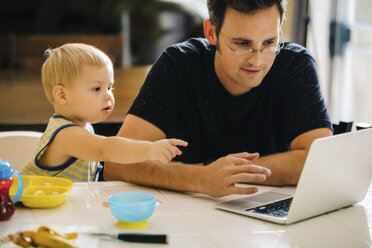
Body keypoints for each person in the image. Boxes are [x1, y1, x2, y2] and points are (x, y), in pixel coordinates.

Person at [104, 0, 333, 197]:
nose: (257, 60)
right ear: (211, 32)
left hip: (267, 220)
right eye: (242, 44)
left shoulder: (295, 65)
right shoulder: (179, 65)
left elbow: (320, 161)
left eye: (269, 43)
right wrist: (201, 178)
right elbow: (116, 163)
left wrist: (223, 173)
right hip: (188, 213)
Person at [21, 43, 187, 182]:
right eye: (97, 88)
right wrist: (149, 150)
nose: (108, 95)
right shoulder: (65, 135)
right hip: (36, 211)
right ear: (62, 95)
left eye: (109, 87)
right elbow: (104, 148)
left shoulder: (84, 128)